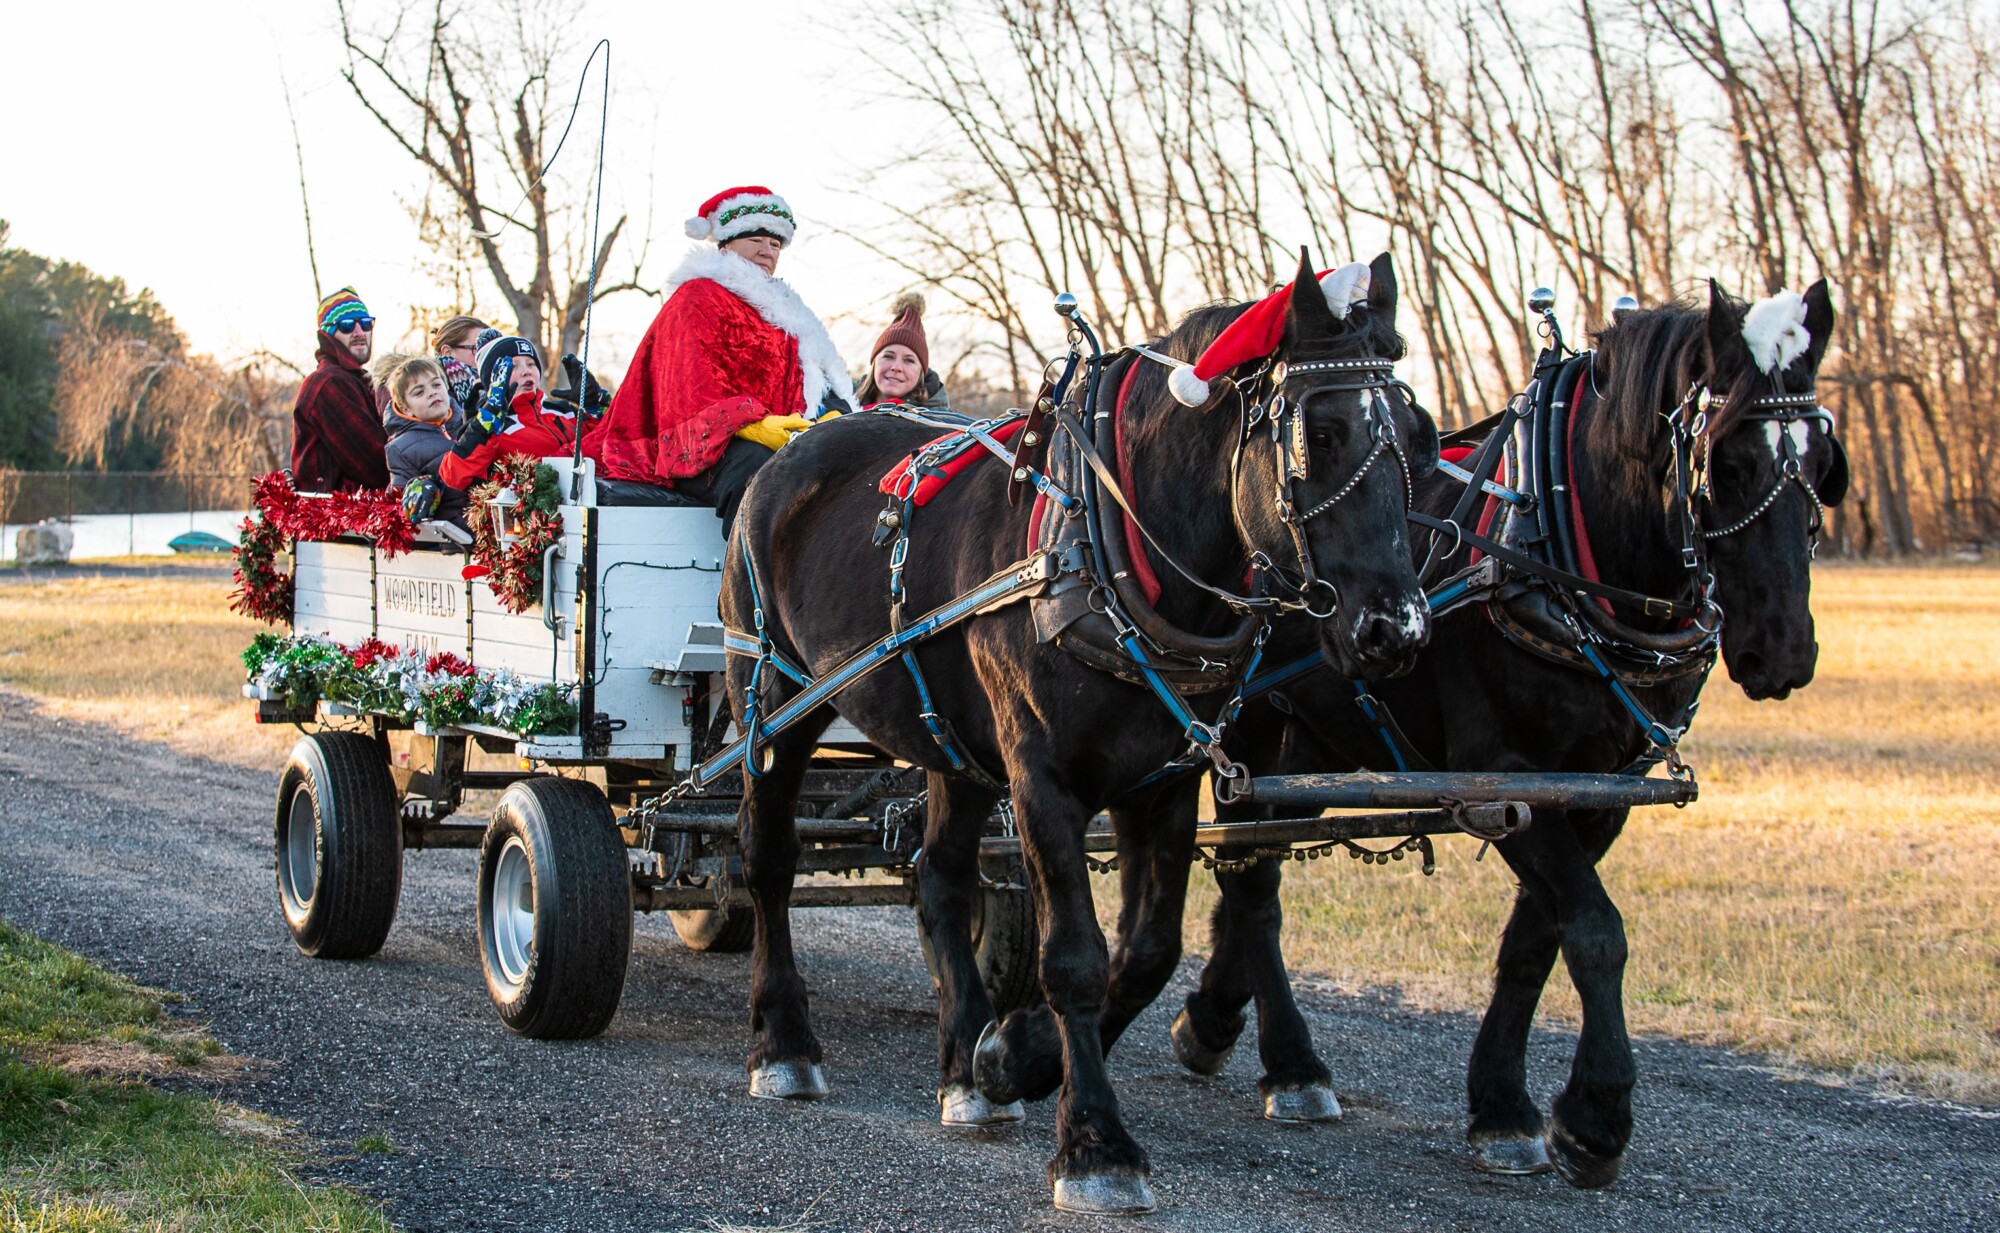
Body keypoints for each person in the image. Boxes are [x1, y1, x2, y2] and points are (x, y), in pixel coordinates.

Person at [583, 185, 854, 533]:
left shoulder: (785, 312)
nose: (767, 251)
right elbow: (691, 383)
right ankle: (749, 583)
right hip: (697, 444)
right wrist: (750, 424)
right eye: (756, 239)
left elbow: (813, 373)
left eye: (775, 245)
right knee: (761, 471)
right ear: (727, 243)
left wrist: (834, 414)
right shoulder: (697, 296)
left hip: (784, 435)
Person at [434, 333, 600, 492]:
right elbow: (454, 476)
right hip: (527, 517)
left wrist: (594, 405)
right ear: (494, 379)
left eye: (531, 364)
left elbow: (607, 443)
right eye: (513, 366)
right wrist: (489, 417)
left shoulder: (564, 412)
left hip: (583, 506)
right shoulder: (488, 426)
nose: (526, 371)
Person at [291, 287, 390, 492]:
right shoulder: (328, 384)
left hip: (364, 516)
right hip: (340, 519)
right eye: (346, 326)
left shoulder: (361, 381)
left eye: (365, 323)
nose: (359, 332)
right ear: (327, 335)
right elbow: (376, 463)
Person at [375, 353, 470, 532]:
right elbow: (398, 500)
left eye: (436, 385)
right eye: (419, 392)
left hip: (490, 524)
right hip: (451, 536)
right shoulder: (400, 448)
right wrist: (417, 490)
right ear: (405, 408)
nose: (432, 392)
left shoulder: (470, 424)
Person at [853, 293, 950, 410]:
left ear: (921, 372)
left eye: (909, 360)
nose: (896, 367)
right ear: (875, 362)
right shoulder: (841, 407)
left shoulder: (944, 425)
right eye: (888, 356)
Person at [428, 314, 490, 426]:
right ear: (447, 351)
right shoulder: (429, 393)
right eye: (476, 348)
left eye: (488, 349)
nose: (485, 356)